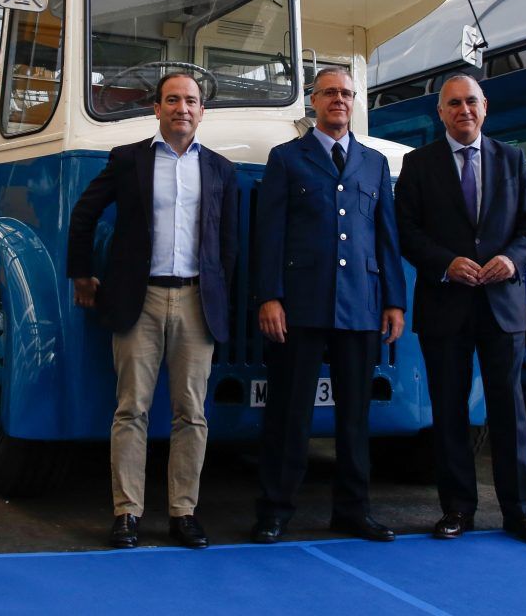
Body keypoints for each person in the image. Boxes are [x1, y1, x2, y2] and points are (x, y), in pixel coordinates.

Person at [67, 72, 237, 550]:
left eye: (191, 101)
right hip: (136, 301)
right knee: (131, 410)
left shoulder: (221, 170)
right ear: (156, 109)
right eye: (172, 100)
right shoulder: (128, 161)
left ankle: (184, 513)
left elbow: (229, 245)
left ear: (202, 112)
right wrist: (82, 274)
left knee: (192, 414)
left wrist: (216, 292)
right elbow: (85, 214)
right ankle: (127, 514)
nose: (182, 108)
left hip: (196, 302)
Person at [394, 74, 526, 547]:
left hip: (503, 306)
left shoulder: (513, 158)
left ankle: (520, 513)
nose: (463, 110)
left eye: (471, 102)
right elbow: (406, 230)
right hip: (445, 306)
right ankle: (457, 509)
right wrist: (445, 263)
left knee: (510, 413)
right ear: (439, 113)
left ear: (485, 108)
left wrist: (513, 259)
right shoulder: (417, 165)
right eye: (453, 103)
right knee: (449, 413)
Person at [251, 67, 405, 544]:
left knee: (355, 417)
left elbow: (386, 236)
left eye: (345, 93)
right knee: (288, 413)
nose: (338, 100)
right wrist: (269, 296)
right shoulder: (285, 158)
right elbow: (269, 234)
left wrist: (394, 302)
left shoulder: (374, 162)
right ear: (313, 101)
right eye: (329, 93)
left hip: (360, 304)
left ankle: (353, 511)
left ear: (354, 101)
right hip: (299, 305)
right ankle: (275, 510)